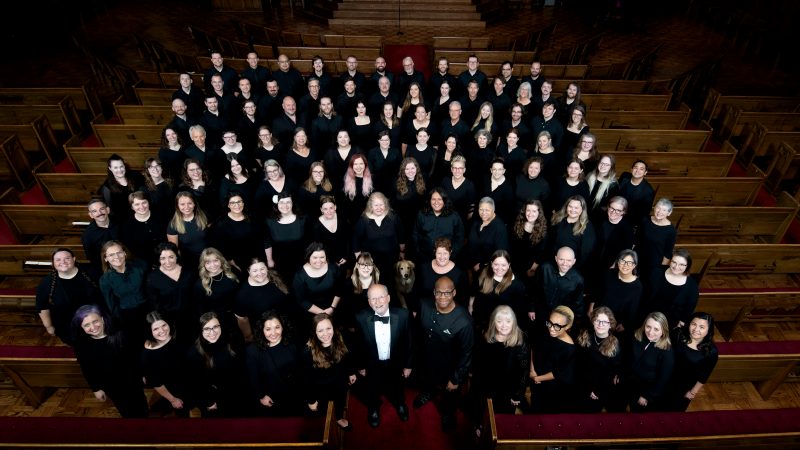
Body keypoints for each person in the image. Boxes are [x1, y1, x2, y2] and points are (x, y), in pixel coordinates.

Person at [415, 276, 474, 431]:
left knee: (449, 395)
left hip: (449, 367)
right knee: (427, 381)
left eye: (447, 293)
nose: (442, 297)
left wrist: (456, 379)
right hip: (426, 360)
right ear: (434, 292)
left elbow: (467, 353)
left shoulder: (464, 321)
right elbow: (416, 331)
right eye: (439, 292)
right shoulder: (423, 304)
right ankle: (428, 393)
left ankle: (448, 412)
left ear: (454, 293)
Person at [71, 305, 148, 417]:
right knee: (125, 410)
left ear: (102, 319)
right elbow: (87, 368)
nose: (93, 327)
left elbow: (135, 357)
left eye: (95, 321)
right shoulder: (81, 345)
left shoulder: (121, 334)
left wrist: (142, 374)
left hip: (132, 380)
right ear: (81, 327)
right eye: (87, 325)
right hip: (111, 385)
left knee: (141, 405)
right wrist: (96, 389)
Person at [354, 284, 413, 427]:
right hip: (373, 363)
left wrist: (408, 365)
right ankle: (373, 407)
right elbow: (358, 345)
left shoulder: (403, 315)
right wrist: (361, 366)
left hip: (395, 362)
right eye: (373, 299)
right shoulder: (360, 317)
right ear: (369, 302)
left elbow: (409, 342)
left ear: (388, 298)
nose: (378, 302)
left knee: (397, 385)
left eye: (381, 297)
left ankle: (399, 403)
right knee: (372, 386)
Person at [468, 305, 528, 434]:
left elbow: (523, 372)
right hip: (485, 383)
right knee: (480, 408)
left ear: (514, 323)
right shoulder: (485, 336)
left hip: (506, 387)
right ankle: (478, 424)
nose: (503, 325)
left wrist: (518, 394)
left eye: (508, 321)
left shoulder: (520, 342)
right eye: (499, 321)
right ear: (493, 322)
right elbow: (478, 361)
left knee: (501, 417)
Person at [301, 313, 357, 430]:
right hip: (321, 388)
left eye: (328, 328)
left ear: (333, 328)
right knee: (323, 411)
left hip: (340, 381)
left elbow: (348, 358)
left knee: (340, 402)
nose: (326, 334)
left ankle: (339, 418)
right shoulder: (307, 351)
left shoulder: (342, 338)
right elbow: (306, 379)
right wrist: (311, 400)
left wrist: (351, 372)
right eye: (320, 330)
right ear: (314, 332)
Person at [185, 311, 246, 417]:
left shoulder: (232, 340)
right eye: (207, 329)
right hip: (214, 400)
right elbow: (195, 383)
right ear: (200, 330)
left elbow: (242, 368)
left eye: (215, 327)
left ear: (220, 326)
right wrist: (208, 402)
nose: (212, 332)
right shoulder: (193, 353)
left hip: (237, 394)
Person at [36, 248, 100, 345]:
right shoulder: (46, 283)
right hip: (68, 327)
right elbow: (42, 306)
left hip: (96, 322)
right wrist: (49, 326)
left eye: (67, 258)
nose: (63, 262)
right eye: (58, 260)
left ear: (74, 259)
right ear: (53, 263)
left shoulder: (91, 273)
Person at [246, 310, 302, 416]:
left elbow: (301, 369)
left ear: (282, 327)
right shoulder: (253, 351)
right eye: (268, 329)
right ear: (262, 330)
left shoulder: (293, 342)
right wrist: (261, 396)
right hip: (272, 399)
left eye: (277, 327)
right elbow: (253, 378)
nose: (273, 333)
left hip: (295, 394)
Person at [665, 312, 719, 411]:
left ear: (709, 330)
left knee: (672, 412)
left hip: (682, 387)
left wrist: (692, 392)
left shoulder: (711, 351)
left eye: (702, 327)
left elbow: (704, 375)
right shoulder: (678, 334)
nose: (696, 329)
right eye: (694, 324)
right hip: (664, 378)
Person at [146, 242, 197, 347]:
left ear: (176, 256)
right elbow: (154, 304)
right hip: (170, 322)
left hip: (192, 317)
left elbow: (197, 295)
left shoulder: (188, 271)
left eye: (171, 257)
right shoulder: (153, 278)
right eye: (163, 258)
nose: (167, 262)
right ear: (158, 259)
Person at [98, 240, 149, 345]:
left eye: (119, 252)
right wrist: (120, 322)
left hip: (148, 311)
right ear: (106, 258)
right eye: (111, 255)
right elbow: (111, 304)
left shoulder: (140, 267)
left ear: (124, 253)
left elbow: (150, 290)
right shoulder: (105, 279)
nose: (116, 257)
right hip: (126, 317)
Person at [529, 305, 577, 413]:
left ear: (568, 326)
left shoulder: (569, 349)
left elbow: (557, 373)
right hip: (535, 376)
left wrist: (538, 379)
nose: (551, 328)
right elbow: (533, 347)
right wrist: (532, 370)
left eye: (557, 326)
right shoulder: (545, 331)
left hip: (550, 386)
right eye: (550, 323)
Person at [140, 311, 190, 416]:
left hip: (190, 381)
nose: (162, 331)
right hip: (174, 390)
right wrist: (172, 400)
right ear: (149, 331)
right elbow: (157, 383)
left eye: (164, 325)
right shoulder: (147, 355)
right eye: (156, 329)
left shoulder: (177, 335)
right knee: (183, 416)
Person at [575, 306, 624, 412]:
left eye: (605, 322)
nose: (600, 324)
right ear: (593, 321)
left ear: (610, 324)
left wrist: (597, 391)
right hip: (582, 384)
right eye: (597, 320)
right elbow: (579, 364)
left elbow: (611, 372)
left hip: (599, 389)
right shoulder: (585, 337)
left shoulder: (614, 344)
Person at [469, 250, 528, 335]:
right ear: (491, 263)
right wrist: (470, 306)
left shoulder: (517, 285)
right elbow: (473, 292)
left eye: (503, 265)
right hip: (483, 322)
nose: (499, 268)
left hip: (502, 326)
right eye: (496, 264)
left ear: (509, 265)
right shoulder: (483, 273)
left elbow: (519, 311)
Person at [352, 192, 405, 284]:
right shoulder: (363, 220)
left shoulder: (393, 217)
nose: (379, 208)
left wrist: (402, 252)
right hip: (371, 261)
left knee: (391, 282)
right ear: (370, 206)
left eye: (381, 205)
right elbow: (356, 240)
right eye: (376, 205)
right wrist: (360, 260)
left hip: (391, 258)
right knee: (374, 283)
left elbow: (401, 236)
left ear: (386, 204)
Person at [235, 258, 291, 343]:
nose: (260, 273)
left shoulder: (276, 276)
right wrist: (248, 336)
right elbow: (242, 319)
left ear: (266, 268)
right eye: (255, 270)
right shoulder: (243, 294)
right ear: (248, 271)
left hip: (284, 325)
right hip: (264, 332)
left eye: (262, 269)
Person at [627, 311, 674, 412]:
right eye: (648, 326)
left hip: (647, 389)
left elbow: (663, 379)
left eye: (656, 329)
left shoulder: (667, 351)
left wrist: (647, 396)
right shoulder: (637, 336)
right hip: (632, 383)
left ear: (663, 331)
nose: (650, 332)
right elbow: (629, 358)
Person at [588, 197, 635, 297]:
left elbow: (626, 251)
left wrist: (615, 265)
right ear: (608, 207)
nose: (614, 212)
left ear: (624, 212)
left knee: (601, 289)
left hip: (610, 264)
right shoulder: (600, 218)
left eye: (618, 210)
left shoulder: (627, 228)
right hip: (593, 259)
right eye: (612, 208)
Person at [592, 249, 643, 340]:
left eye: (629, 263)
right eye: (622, 261)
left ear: (634, 265)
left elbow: (633, 310)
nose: (625, 265)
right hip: (598, 317)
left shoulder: (637, 287)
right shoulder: (609, 274)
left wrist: (624, 324)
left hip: (615, 324)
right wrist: (591, 308)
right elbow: (597, 293)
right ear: (618, 262)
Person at [646, 249, 700, 329]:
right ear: (670, 261)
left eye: (682, 264)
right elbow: (645, 295)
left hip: (669, 324)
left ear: (687, 266)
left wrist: (682, 321)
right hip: (648, 317)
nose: (676, 267)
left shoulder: (692, 286)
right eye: (674, 262)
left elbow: (689, 308)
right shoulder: (656, 272)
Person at [193, 248, 240, 341]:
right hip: (219, 320)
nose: (213, 265)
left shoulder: (232, 272)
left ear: (221, 260)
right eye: (208, 262)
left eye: (216, 260)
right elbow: (201, 310)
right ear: (204, 265)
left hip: (240, 315)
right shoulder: (200, 285)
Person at [532, 247, 585, 325]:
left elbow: (577, 304)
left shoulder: (578, 279)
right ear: (556, 258)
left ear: (574, 261)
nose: (564, 263)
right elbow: (534, 289)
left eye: (569, 260)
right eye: (561, 259)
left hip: (560, 319)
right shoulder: (545, 268)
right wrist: (531, 309)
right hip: (539, 313)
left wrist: (571, 323)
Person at [412, 188, 465, 263]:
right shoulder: (422, 214)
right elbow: (415, 234)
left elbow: (460, 238)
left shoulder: (454, 216)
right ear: (429, 201)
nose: (436, 202)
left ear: (444, 201)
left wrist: (452, 255)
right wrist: (418, 252)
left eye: (440, 199)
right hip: (425, 258)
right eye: (433, 199)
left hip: (446, 259)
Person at [263, 193, 307, 282]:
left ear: (292, 203)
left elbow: (309, 241)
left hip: (301, 260)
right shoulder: (270, 221)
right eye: (281, 202)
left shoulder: (303, 219)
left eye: (288, 202)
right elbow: (267, 242)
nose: (285, 205)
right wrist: (269, 260)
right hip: (279, 262)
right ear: (277, 204)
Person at [293, 243, 343, 321]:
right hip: (312, 312)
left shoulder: (334, 268)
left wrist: (332, 308)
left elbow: (339, 290)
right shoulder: (299, 275)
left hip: (333, 308)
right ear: (308, 257)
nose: (319, 261)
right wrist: (323, 313)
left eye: (322, 257)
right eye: (315, 257)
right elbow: (302, 300)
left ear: (326, 257)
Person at [416, 237, 468, 308]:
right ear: (435, 252)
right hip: (426, 309)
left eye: (445, 253)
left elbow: (463, 299)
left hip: (449, 313)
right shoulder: (423, 268)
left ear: (450, 252)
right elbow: (417, 291)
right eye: (439, 253)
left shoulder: (459, 274)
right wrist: (415, 309)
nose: (442, 257)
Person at [119, 191, 167, 266]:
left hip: (166, 259)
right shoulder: (127, 226)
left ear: (148, 203)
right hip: (143, 264)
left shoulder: (161, 217)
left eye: (144, 202)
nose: (141, 207)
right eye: (137, 204)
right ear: (132, 207)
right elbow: (131, 250)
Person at [166, 191, 210, 272]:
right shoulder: (173, 225)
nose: (187, 207)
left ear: (194, 204)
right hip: (190, 262)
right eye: (182, 204)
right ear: (177, 206)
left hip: (209, 258)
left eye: (190, 203)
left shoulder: (204, 216)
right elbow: (175, 250)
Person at [549, 196, 596, 270]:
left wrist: (572, 268)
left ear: (582, 210)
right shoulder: (558, 219)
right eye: (570, 206)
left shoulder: (587, 227)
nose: (573, 210)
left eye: (576, 208)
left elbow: (585, 253)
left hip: (572, 266)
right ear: (566, 207)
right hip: (553, 261)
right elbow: (550, 241)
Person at [636, 198, 677, 282]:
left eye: (664, 210)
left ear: (669, 213)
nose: (660, 211)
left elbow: (667, 253)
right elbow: (636, 240)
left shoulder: (671, 231)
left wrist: (661, 270)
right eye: (658, 208)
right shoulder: (645, 220)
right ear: (654, 208)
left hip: (654, 264)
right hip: (638, 258)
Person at [510, 200, 548, 287]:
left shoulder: (543, 230)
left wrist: (532, 269)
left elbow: (541, 253)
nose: (530, 214)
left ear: (539, 213)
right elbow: (511, 246)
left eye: (534, 211)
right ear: (524, 211)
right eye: (528, 210)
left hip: (531, 266)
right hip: (515, 263)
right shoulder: (517, 223)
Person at [467, 197, 509, 272]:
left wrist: (481, 265)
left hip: (488, 269)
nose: (483, 213)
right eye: (481, 209)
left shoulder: (500, 228)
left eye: (487, 210)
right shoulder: (476, 220)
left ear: (493, 210)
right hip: (471, 264)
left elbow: (500, 254)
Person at [340, 252, 381, 327]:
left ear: (373, 266)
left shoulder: (379, 282)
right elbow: (346, 309)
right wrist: (351, 326)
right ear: (357, 266)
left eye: (369, 265)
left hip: (376, 322)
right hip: (356, 324)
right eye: (362, 265)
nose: (366, 268)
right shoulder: (349, 284)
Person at [99, 154, 143, 222]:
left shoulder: (136, 176)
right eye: (115, 168)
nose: (119, 170)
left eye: (121, 166)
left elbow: (145, 194)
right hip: (124, 220)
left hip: (142, 212)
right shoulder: (107, 187)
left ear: (124, 165)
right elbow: (111, 211)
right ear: (110, 168)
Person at [392, 157, 426, 241]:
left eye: (412, 168)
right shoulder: (396, 182)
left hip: (418, 220)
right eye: (407, 169)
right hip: (401, 220)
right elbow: (392, 201)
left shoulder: (424, 180)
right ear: (403, 170)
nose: (410, 171)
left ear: (416, 168)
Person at [440, 155, 476, 228]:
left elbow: (472, 206)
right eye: (455, 168)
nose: (457, 171)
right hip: (444, 218)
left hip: (460, 221)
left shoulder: (470, 185)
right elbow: (440, 200)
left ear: (464, 170)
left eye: (460, 168)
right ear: (451, 169)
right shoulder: (445, 181)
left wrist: (466, 224)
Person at [618, 160, 655, 228]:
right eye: (636, 168)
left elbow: (645, 212)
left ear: (645, 172)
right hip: (616, 210)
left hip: (630, 219)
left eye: (641, 169)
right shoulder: (624, 176)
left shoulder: (648, 191)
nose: (637, 170)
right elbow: (616, 192)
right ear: (631, 169)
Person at [340, 153, 374, 226]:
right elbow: (343, 204)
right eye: (355, 164)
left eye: (361, 164)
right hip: (351, 220)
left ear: (365, 165)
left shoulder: (373, 179)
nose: (358, 167)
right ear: (352, 166)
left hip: (369, 218)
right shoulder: (345, 181)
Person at [141, 157, 176, 224]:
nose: (155, 169)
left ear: (161, 167)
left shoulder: (172, 183)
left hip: (174, 220)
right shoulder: (144, 189)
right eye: (151, 167)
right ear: (147, 170)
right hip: (155, 222)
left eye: (157, 166)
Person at [585, 154, 619, 222]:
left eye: (607, 165)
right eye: (602, 163)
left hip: (598, 217)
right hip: (583, 212)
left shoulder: (613, 185)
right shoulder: (589, 176)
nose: (603, 166)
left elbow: (609, 206)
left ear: (611, 167)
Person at [368, 130, 402, 195]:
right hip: (377, 184)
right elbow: (370, 170)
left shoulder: (396, 151)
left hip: (393, 184)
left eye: (387, 140)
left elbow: (400, 168)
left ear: (390, 140)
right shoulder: (372, 152)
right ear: (378, 141)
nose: (384, 142)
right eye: (382, 140)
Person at [482, 157, 515, 225]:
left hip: (498, 220)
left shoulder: (508, 187)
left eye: (500, 169)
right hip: (483, 215)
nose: (497, 172)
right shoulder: (485, 180)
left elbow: (508, 210)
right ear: (491, 170)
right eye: (494, 169)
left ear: (504, 171)